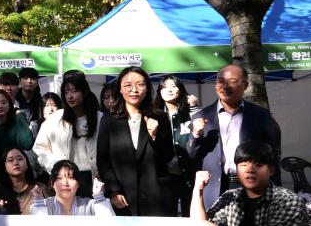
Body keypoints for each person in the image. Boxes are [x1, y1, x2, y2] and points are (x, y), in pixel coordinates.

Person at [187, 63, 279, 226]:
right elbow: (190, 155)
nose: (224, 86)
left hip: (248, 186)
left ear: (245, 84)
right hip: (215, 187)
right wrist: (195, 136)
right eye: (219, 81)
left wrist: (272, 191)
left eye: (231, 81)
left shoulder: (259, 116)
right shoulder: (202, 115)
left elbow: (272, 153)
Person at [97, 67, 175, 217]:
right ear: (120, 89)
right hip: (123, 197)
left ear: (147, 87)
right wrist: (114, 191)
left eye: (140, 85)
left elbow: (168, 156)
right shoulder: (109, 119)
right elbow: (103, 160)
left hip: (155, 196)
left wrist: (154, 137)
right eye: (128, 85)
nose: (134, 90)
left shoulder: (159, 117)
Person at [33, 72, 102, 196]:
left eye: (74, 91)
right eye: (66, 92)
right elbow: (40, 147)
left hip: (93, 177)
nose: (70, 96)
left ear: (85, 92)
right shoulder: (55, 118)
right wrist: (56, 167)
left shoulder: (99, 118)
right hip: (65, 177)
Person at [153, 75, 200, 216]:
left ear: (181, 90)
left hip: (190, 173)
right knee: (168, 216)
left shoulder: (191, 111)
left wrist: (194, 107)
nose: (169, 90)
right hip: (164, 176)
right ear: (159, 91)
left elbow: (201, 133)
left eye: (173, 86)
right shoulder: (154, 114)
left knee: (191, 214)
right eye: (164, 87)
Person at [0, 147, 50, 215]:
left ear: (27, 164)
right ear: (5, 168)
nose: (16, 163)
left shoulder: (40, 188)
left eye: (20, 159)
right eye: (10, 160)